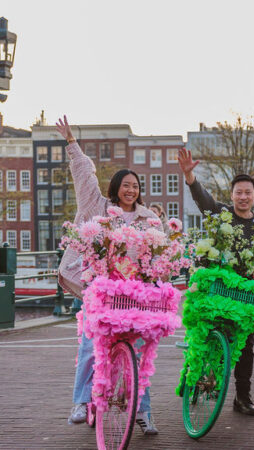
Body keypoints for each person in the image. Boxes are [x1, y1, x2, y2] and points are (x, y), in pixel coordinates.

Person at [56, 116, 162, 435]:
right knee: (91, 344)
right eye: (125, 185)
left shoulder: (147, 218)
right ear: (116, 188)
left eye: (135, 186)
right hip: (102, 291)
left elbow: (156, 255)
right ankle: (80, 401)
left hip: (132, 294)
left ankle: (142, 411)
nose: (131, 190)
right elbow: (85, 176)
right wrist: (72, 143)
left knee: (139, 350)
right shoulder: (97, 207)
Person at [178, 147, 254, 416]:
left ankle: (242, 397)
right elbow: (203, 199)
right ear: (232, 196)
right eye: (238, 192)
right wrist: (190, 176)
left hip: (243, 294)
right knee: (205, 334)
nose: (243, 197)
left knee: (246, 344)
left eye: (247, 192)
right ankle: (193, 377)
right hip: (217, 288)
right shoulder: (221, 214)